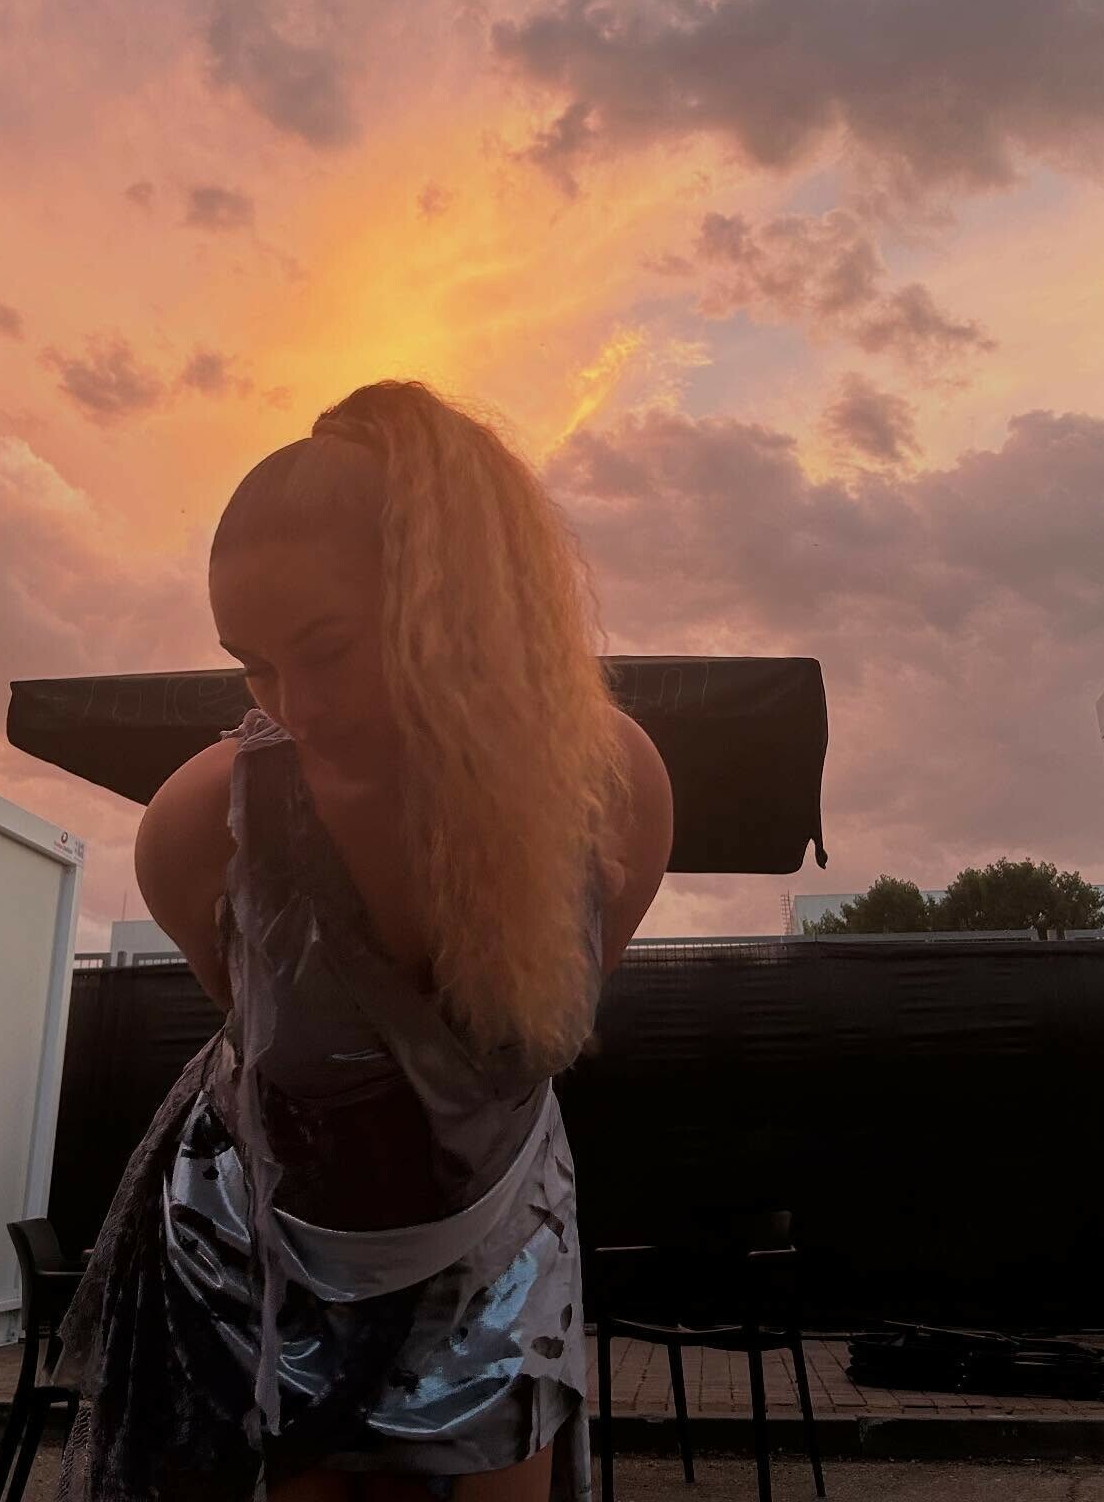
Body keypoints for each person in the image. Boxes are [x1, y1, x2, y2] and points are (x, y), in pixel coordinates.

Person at [51, 378, 674, 1502]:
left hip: (497, 1259)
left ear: (455, 607)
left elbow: (511, 1064)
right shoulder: (201, 829)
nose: (294, 703)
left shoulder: (609, 789)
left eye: (328, 648)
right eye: (253, 663)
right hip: (257, 1271)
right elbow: (256, 1044)